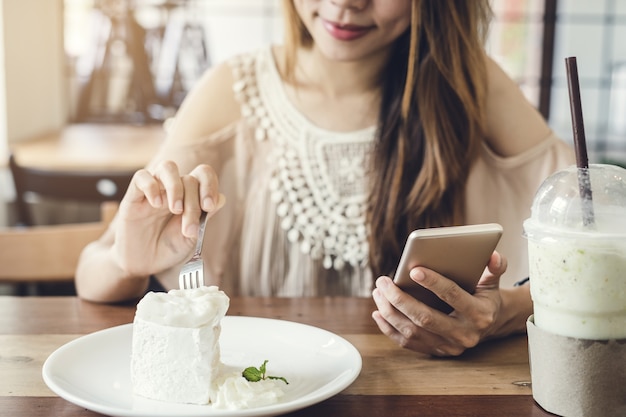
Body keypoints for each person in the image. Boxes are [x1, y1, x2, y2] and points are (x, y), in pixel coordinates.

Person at [75, 0, 574, 356]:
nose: (346, 4)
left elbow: (601, 239)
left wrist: (501, 315)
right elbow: (92, 273)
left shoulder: (469, 83)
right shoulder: (230, 89)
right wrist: (127, 259)